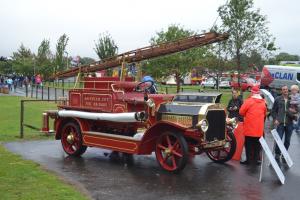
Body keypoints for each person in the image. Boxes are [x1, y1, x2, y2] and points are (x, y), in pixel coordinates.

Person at [239, 85, 267, 165]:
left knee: (248, 144)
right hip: (259, 128)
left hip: (249, 127)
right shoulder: (263, 102)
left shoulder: (249, 101)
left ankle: (248, 160)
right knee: (257, 145)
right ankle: (256, 160)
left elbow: (241, 112)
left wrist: (246, 115)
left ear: (252, 92)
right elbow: (265, 114)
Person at [271, 85, 294, 162]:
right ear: (281, 91)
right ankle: (277, 154)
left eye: (286, 89)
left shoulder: (292, 100)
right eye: (283, 89)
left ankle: (284, 154)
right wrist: (275, 119)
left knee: (287, 140)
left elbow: (296, 110)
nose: (285, 91)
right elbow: (273, 111)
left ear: (288, 90)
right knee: (279, 139)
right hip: (280, 123)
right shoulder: (278, 99)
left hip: (289, 123)